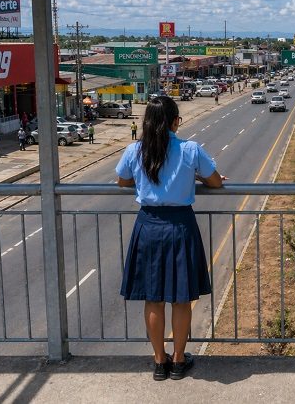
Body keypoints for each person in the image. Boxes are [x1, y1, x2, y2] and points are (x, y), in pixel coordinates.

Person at [116, 96, 224, 381]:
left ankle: (159, 361)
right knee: (180, 298)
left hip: (148, 225)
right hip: (180, 226)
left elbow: (122, 181)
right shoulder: (190, 149)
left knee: (153, 299)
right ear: (176, 121)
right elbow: (215, 181)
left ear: (147, 123)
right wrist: (196, 179)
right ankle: (178, 360)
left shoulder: (134, 150)